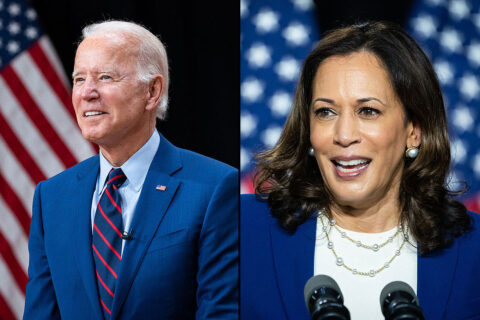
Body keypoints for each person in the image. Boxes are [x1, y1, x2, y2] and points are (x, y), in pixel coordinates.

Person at [241, 21, 480, 319]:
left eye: (368, 111)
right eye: (325, 112)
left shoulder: (473, 251)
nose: (343, 135)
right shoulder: (243, 229)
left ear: (414, 131)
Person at [24, 20, 238, 320]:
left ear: (152, 91)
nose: (86, 93)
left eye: (105, 77)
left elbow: (220, 313)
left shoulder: (214, 188)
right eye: (79, 78)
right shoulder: (51, 197)